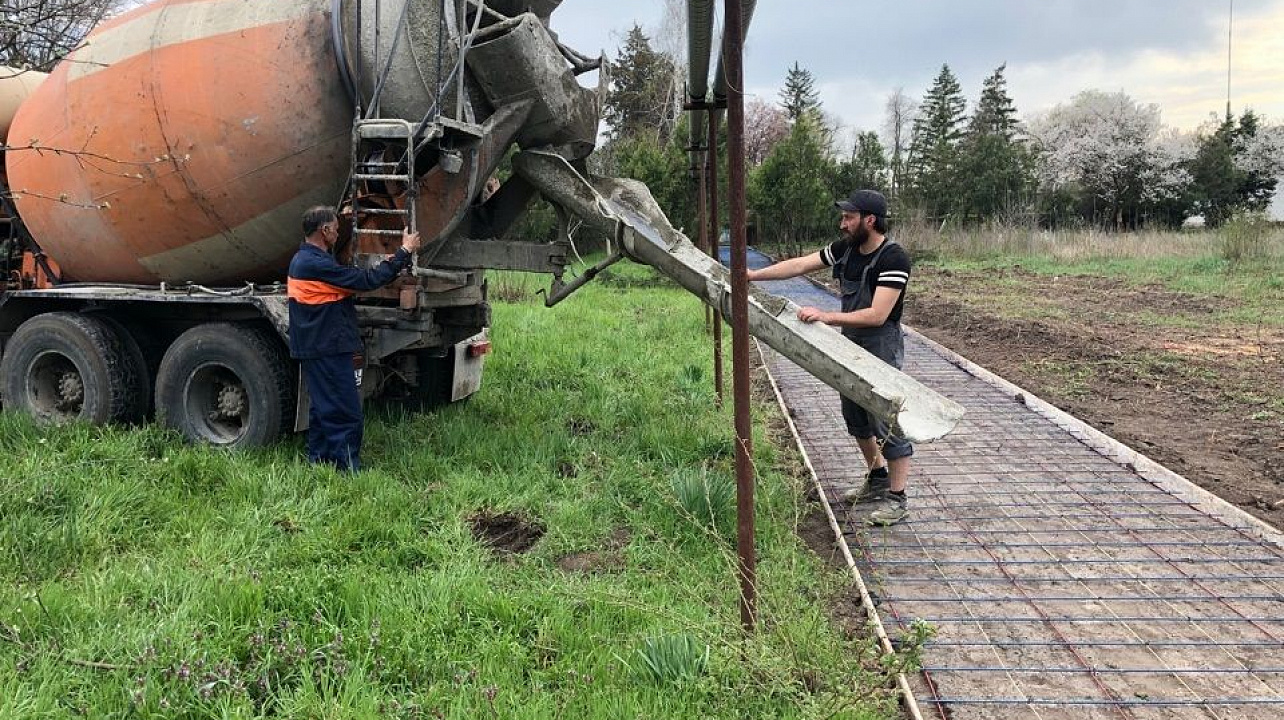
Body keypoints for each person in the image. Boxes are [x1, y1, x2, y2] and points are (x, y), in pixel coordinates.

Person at [746, 190, 913, 526]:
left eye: (849, 217)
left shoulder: (893, 258)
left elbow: (877, 315)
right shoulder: (846, 249)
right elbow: (800, 264)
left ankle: (898, 498)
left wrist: (825, 316)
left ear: (870, 220)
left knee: (884, 417)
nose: (842, 224)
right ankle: (877, 478)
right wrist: (752, 275)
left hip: (880, 344)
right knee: (854, 414)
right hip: (850, 342)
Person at [287, 206, 421, 471]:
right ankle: (347, 467)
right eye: (336, 229)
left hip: (317, 345)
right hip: (327, 347)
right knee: (345, 410)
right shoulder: (316, 265)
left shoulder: (305, 259)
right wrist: (404, 251)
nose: (339, 234)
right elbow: (366, 280)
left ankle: (320, 461)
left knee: (322, 407)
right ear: (324, 230)